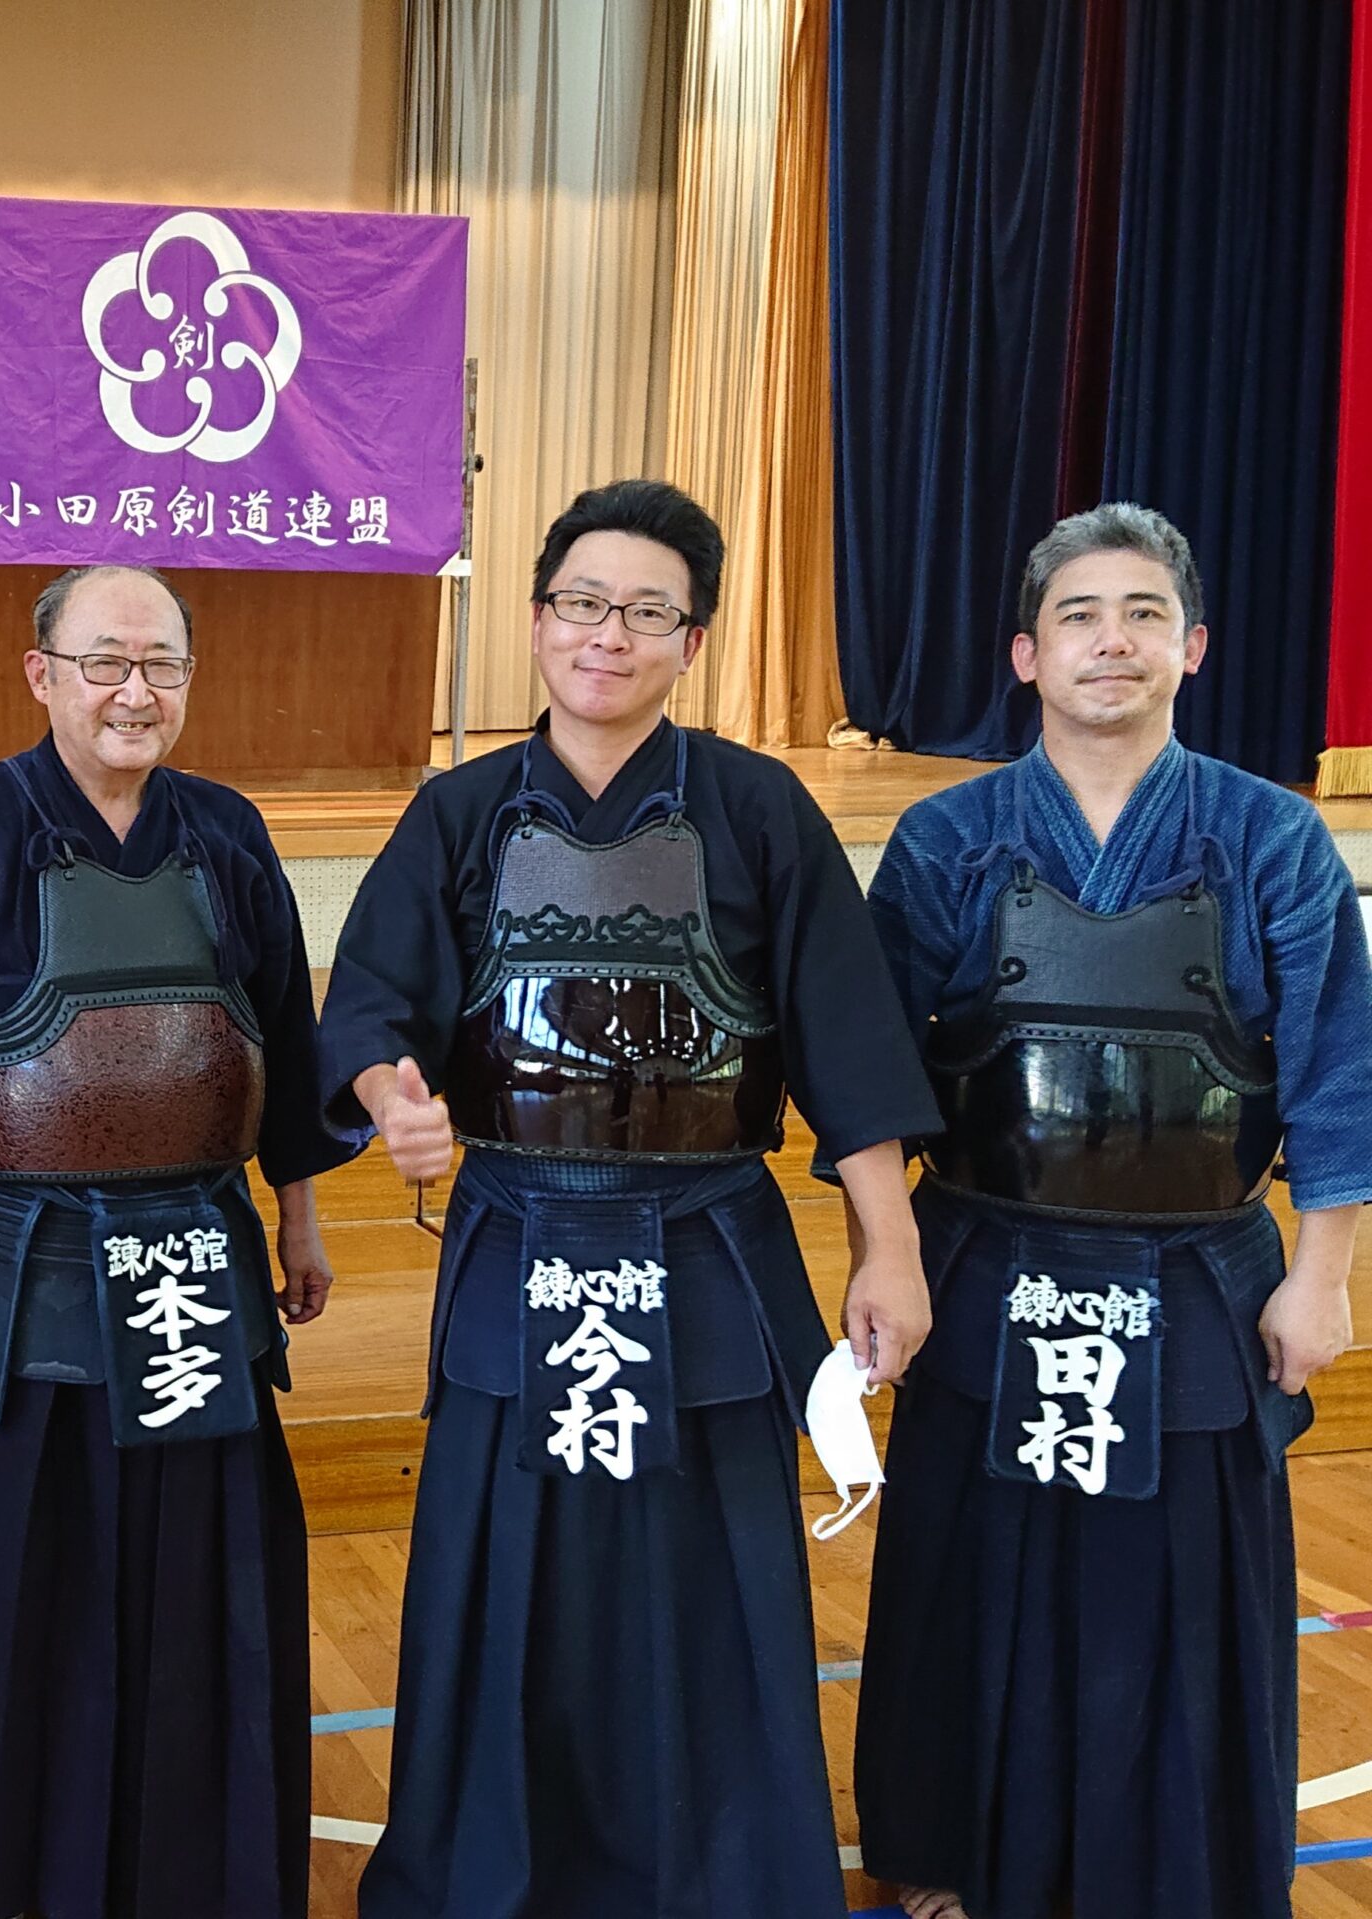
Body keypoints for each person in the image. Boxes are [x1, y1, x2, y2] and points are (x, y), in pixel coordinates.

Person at [326, 479, 941, 1918]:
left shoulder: (759, 808)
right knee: (503, 1565)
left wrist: (891, 1248)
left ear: (693, 642)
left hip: (707, 1241)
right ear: (538, 621)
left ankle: (723, 1878)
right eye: (584, 604)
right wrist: (389, 1098)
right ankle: (486, 1876)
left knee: (711, 1575)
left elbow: (848, 1042)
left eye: (646, 612)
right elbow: (368, 1004)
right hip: (521, 1234)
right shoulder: (461, 811)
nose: (609, 634)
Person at [0, 563, 350, 1919]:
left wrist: (300, 1211)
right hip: (16, 1263)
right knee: (11, 1565)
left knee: (193, 1565)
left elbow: (279, 1036)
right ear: (42, 673)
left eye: (161, 665)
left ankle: (189, 1856)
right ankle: (0, 1865)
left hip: (196, 1257)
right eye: (105, 662)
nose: (133, 692)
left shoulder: (226, 832)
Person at [852, 502, 1372, 1919]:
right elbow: (872, 1075)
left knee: (1180, 1583)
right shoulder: (948, 839)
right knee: (977, 1571)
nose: (1113, 642)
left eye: (1146, 614)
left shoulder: (1271, 837)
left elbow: (1336, 1070)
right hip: (989, 1257)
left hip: (1198, 1272)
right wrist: (884, 1254)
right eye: (1078, 616)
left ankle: (1175, 1866)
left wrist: (1322, 1276)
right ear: (1026, 654)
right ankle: (957, 1854)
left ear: (1193, 647)